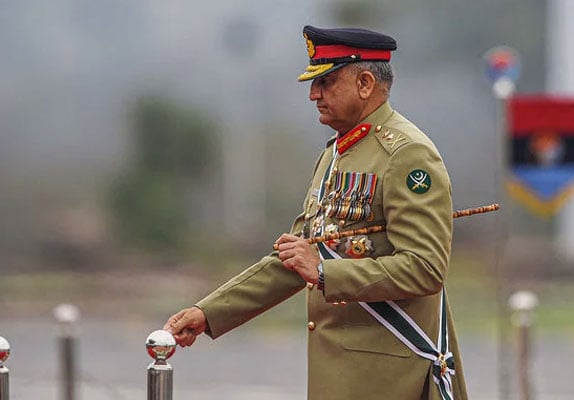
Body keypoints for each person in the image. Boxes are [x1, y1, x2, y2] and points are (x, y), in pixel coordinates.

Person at [163, 25, 469, 400]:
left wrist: (325, 272)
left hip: (388, 377)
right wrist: (209, 313)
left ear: (365, 83)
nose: (313, 94)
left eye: (326, 81)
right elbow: (295, 257)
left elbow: (425, 268)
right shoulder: (335, 153)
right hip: (339, 376)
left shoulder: (407, 154)